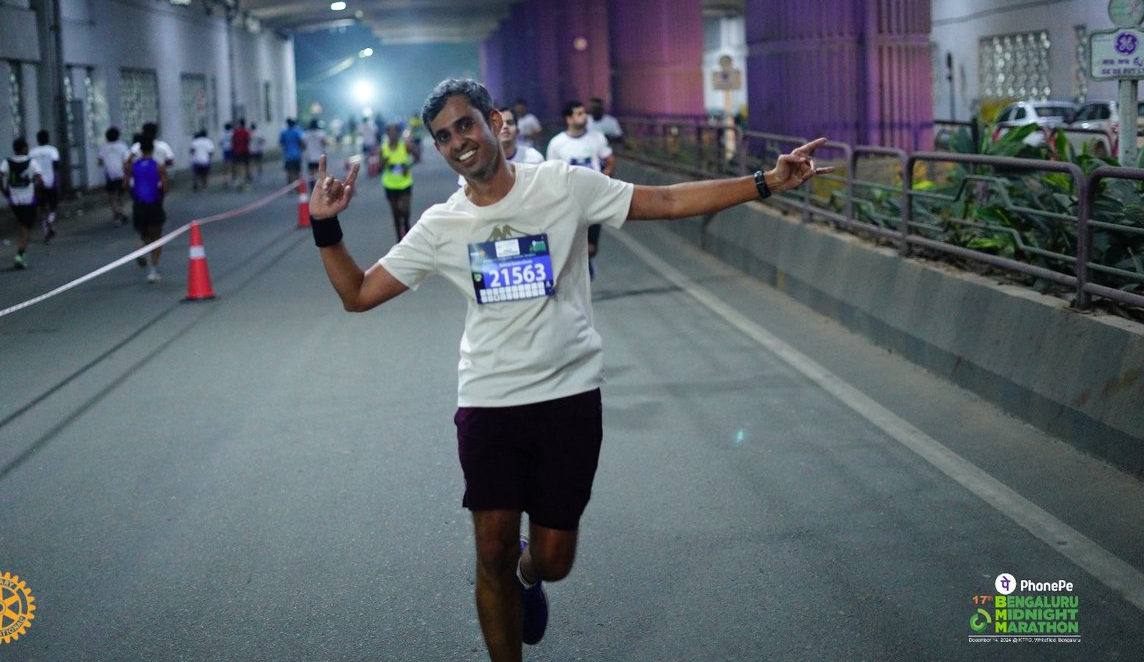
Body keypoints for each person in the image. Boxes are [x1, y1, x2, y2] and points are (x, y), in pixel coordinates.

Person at [307, 78, 832, 662]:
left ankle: (531, 575)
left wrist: (767, 181)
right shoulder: (440, 226)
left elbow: (669, 200)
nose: (458, 142)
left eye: (465, 125)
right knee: (491, 552)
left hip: (568, 398)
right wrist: (326, 227)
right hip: (489, 403)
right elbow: (357, 294)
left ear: (494, 122)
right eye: (443, 136)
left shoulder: (564, 185)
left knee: (554, 560)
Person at [546, 101, 614, 278]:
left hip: (593, 200)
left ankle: (586, 260)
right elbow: (551, 172)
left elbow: (610, 160)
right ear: (568, 119)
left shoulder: (597, 138)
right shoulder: (557, 144)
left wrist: (605, 178)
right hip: (569, 202)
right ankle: (578, 271)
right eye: (579, 114)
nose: (584, 117)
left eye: (584, 113)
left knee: (592, 247)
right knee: (572, 241)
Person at [457, 107, 543, 189]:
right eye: (500, 123)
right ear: (491, 131)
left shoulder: (534, 158)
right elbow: (462, 195)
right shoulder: (475, 161)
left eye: (510, 123)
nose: (505, 127)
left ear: (517, 131)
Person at [124, 136, 169, 283]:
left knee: (144, 235)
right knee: (157, 238)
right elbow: (165, 187)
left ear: (140, 150)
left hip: (139, 206)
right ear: (153, 149)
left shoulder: (133, 166)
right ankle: (153, 271)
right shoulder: (158, 166)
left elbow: (125, 185)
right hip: (154, 204)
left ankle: (140, 246)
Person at [0, 138, 45, 270]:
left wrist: (4, 191)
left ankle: (22, 253)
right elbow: (40, 179)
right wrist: (38, 193)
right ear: (24, 148)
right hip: (29, 199)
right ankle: (20, 253)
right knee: (26, 225)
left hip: (14, 199)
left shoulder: (7, 162)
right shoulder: (31, 162)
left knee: (23, 225)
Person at [379, 123, 421, 240]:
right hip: (390, 184)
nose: (393, 135)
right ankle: (399, 240)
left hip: (405, 183)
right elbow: (378, 168)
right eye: (390, 132)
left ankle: (407, 232)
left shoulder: (405, 146)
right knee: (396, 214)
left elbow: (417, 157)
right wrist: (383, 162)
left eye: (395, 132)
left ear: (398, 133)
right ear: (387, 134)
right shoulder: (383, 149)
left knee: (405, 212)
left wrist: (408, 167)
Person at [30, 130, 61, 242]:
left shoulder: (32, 152)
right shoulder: (52, 150)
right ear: (48, 139)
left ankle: (46, 230)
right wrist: (57, 180)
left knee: (42, 207)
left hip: (38, 183)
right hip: (51, 182)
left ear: (38, 139)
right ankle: (50, 221)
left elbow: (30, 168)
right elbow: (56, 165)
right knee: (53, 206)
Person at [97, 127, 130, 225]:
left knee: (111, 195)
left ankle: (116, 214)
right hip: (121, 173)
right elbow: (127, 159)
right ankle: (120, 210)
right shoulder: (122, 146)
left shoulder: (104, 147)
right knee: (121, 193)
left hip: (109, 174)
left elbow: (100, 161)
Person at [279, 118, 306, 185]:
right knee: (297, 171)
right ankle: (297, 187)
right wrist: (302, 148)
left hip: (288, 155)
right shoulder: (298, 131)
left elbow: (281, 142)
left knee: (289, 171)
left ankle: (290, 187)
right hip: (297, 155)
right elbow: (302, 142)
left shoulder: (284, 132)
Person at [231, 119, 252, 186]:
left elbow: (233, 140)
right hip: (245, 149)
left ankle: (239, 176)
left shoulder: (236, 131)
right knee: (246, 163)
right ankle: (247, 175)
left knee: (238, 164)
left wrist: (234, 147)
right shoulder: (246, 131)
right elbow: (248, 140)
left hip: (238, 149)